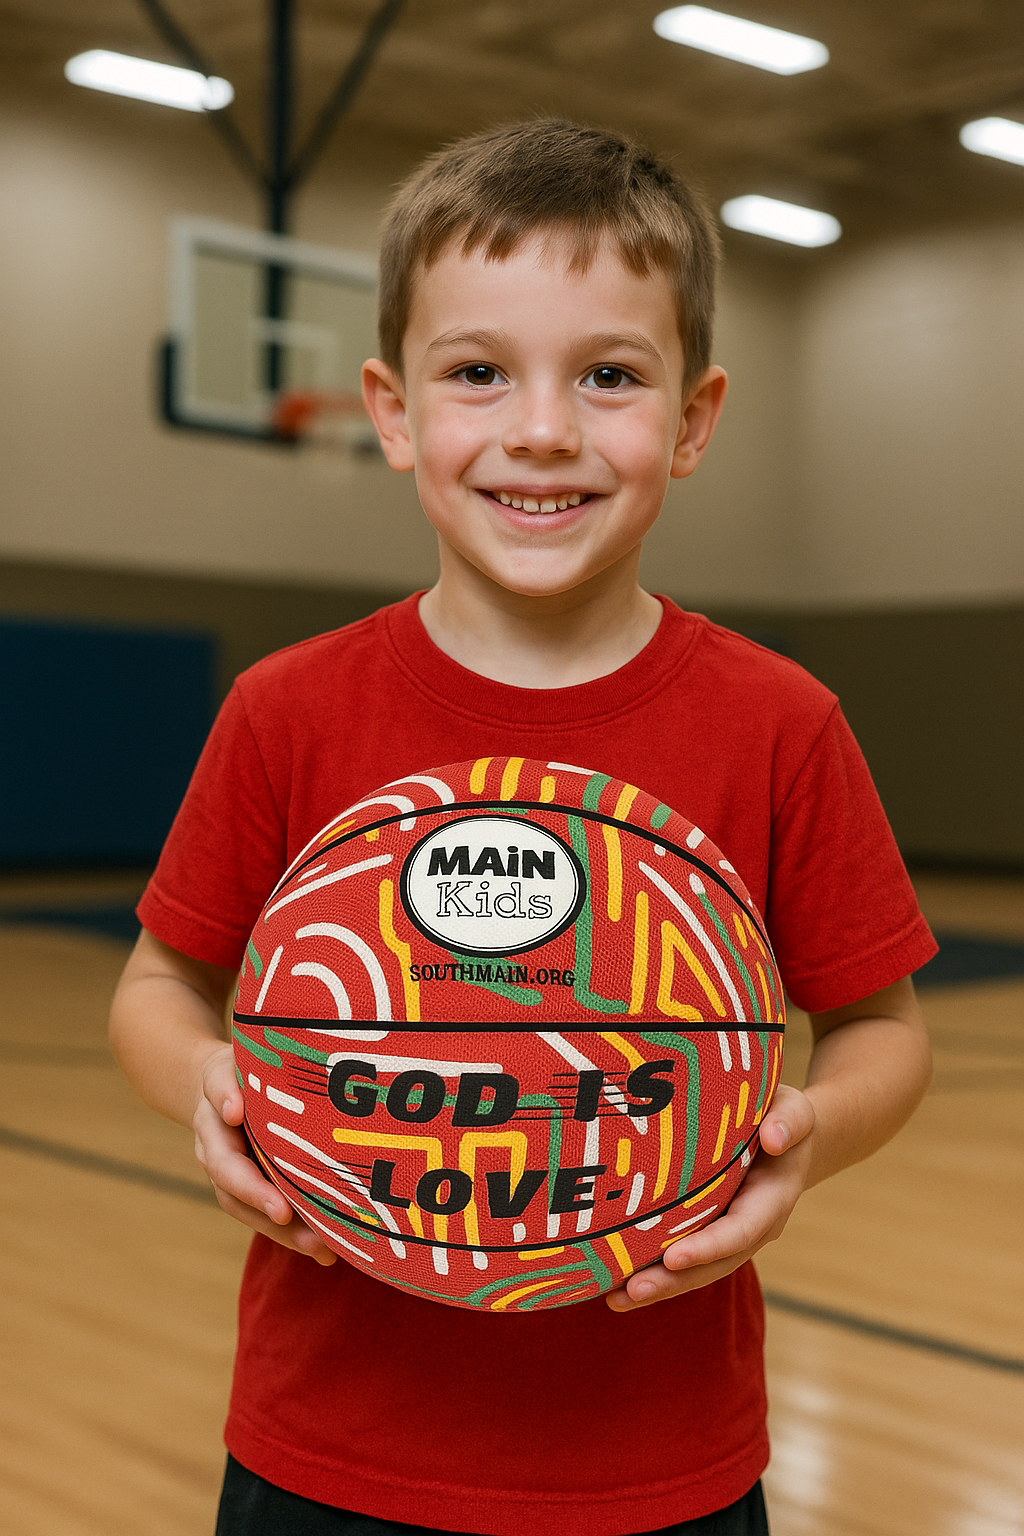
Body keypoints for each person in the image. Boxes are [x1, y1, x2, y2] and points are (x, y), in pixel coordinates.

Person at [109, 120, 936, 1536]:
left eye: (609, 376)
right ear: (391, 410)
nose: (543, 428)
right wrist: (210, 1089)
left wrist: (807, 1131)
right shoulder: (286, 710)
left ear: (692, 420)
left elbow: (886, 1032)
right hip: (325, 1452)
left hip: (660, 1466)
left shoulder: (781, 722)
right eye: (478, 373)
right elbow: (159, 985)